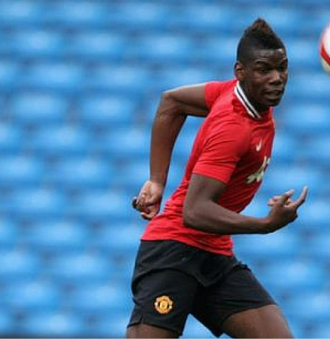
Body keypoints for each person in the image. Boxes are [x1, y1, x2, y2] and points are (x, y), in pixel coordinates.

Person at [128, 18, 307, 338]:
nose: (277, 78)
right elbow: (194, 212)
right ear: (241, 72)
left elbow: (172, 102)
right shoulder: (232, 128)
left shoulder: (235, 94)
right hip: (173, 250)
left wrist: (156, 181)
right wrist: (265, 224)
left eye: (282, 67)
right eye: (264, 69)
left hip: (213, 253)